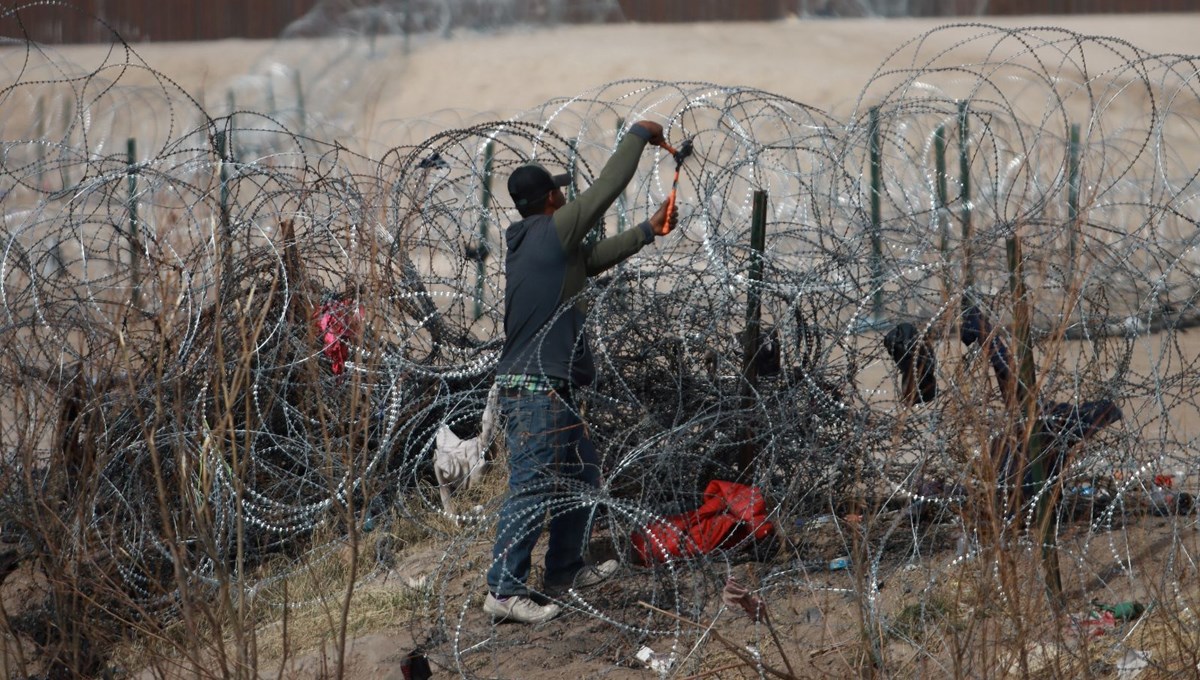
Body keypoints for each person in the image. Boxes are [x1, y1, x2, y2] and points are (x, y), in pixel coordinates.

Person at [484, 120, 678, 624]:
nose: (566, 201)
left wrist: (646, 232)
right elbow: (607, 188)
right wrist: (638, 134)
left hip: (553, 388)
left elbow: (591, 261)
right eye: (560, 195)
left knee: (580, 475)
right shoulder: (551, 231)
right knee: (533, 484)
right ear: (551, 200)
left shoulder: (542, 246)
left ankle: (564, 571)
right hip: (536, 391)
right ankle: (503, 591)